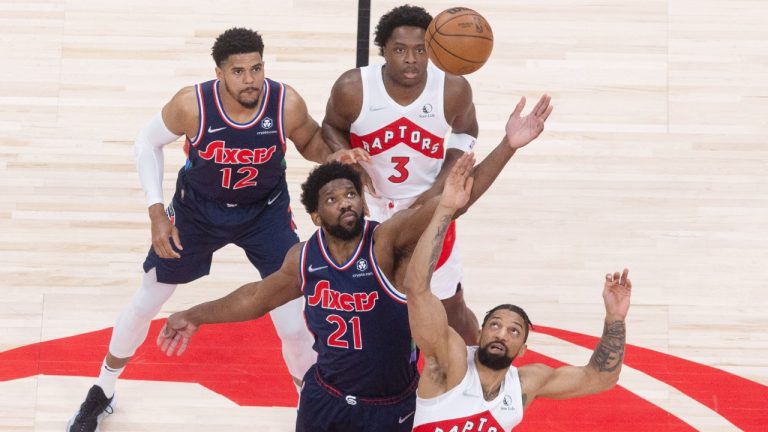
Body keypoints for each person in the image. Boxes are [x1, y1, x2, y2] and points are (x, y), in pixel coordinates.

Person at [156, 95, 552, 431]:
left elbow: (453, 202)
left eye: (351, 194)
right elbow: (257, 297)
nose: (346, 201)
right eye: (332, 199)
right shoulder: (305, 258)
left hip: (388, 406)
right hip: (323, 397)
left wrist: (508, 146)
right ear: (315, 216)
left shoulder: (386, 240)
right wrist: (196, 313)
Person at [66, 27, 344, 432]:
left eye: (257, 68)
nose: (250, 80)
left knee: (292, 320)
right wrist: (156, 212)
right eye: (238, 72)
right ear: (219, 74)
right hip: (197, 212)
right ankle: (103, 389)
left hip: (264, 213)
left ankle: (309, 405)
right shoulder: (191, 104)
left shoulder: (285, 102)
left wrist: (338, 154)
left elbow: (310, 143)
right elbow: (146, 142)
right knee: (148, 300)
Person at [403, 190, 632, 431]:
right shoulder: (451, 363)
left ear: (523, 349)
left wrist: (615, 318)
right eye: (495, 325)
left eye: (514, 331)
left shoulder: (523, 385)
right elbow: (416, 289)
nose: (502, 334)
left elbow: (600, 378)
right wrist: (445, 210)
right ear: (479, 335)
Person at [322, 4, 483, 344]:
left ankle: (481, 375)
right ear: (384, 51)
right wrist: (344, 159)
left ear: (433, 51)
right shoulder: (353, 88)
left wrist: (441, 184)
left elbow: (466, 133)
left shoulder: (453, 89)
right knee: (365, 301)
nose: (411, 59)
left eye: (420, 50)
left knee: (450, 307)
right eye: (400, 50)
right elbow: (330, 127)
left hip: (427, 204)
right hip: (371, 208)